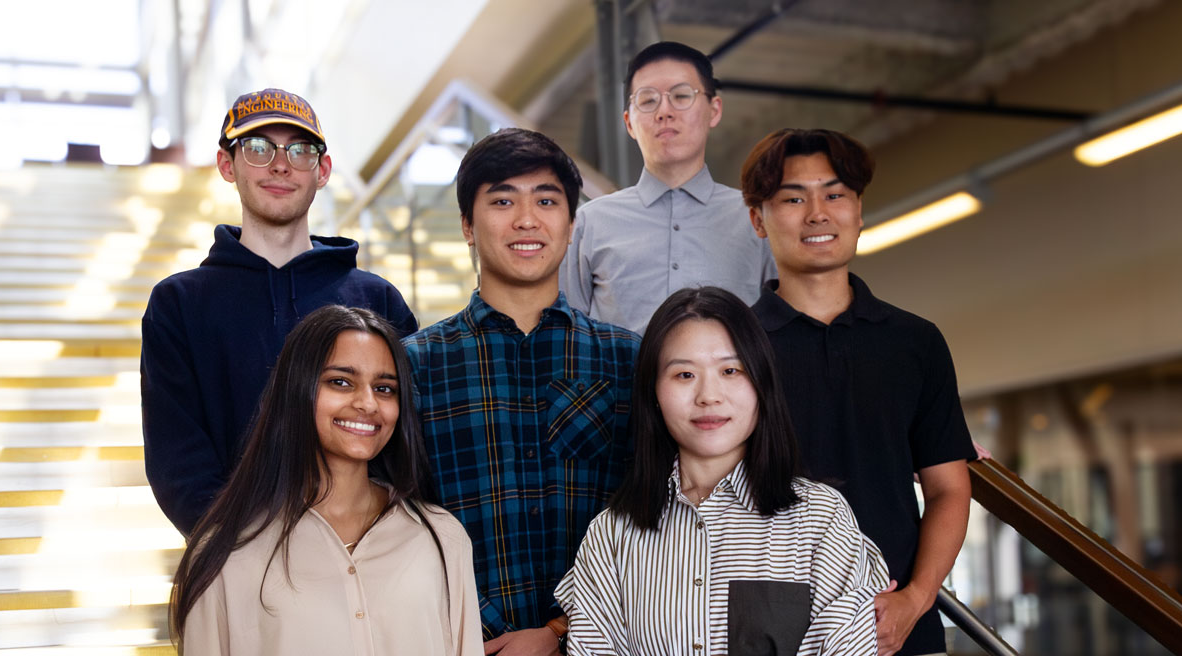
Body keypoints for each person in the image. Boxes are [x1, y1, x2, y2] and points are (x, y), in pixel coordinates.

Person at [404, 128, 640, 655]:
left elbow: (651, 511)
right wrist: (484, 628)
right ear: (467, 224)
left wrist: (560, 629)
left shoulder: (628, 359)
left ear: (572, 224)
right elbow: (402, 513)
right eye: (503, 200)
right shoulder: (413, 363)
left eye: (547, 200)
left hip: (606, 639)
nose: (527, 219)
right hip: (460, 640)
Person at [556, 286, 890, 655]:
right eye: (684, 375)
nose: (708, 395)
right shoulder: (612, 535)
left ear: (761, 382)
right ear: (654, 392)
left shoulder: (821, 519)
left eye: (731, 370)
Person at [142, 88, 417, 535]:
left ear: (323, 170)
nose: (280, 163)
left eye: (300, 150)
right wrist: (242, 549)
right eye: (257, 148)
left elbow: (406, 437)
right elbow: (177, 459)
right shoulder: (179, 304)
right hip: (237, 560)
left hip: (363, 553)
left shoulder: (377, 300)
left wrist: (368, 539)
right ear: (226, 165)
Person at [743, 128, 975, 655]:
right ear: (758, 218)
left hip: (898, 631)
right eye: (793, 198)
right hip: (769, 635)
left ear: (859, 209)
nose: (817, 213)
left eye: (835, 193)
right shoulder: (733, 349)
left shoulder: (915, 342)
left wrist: (915, 601)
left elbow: (948, 489)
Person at [170, 305, 479, 655]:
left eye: (385, 388)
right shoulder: (227, 555)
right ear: (297, 390)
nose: (367, 403)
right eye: (341, 382)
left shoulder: (440, 537)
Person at [561, 41, 774, 335]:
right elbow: (568, 335)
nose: (664, 111)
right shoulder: (590, 222)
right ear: (629, 123)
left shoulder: (756, 218)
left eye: (681, 96)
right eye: (647, 101)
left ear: (714, 110)